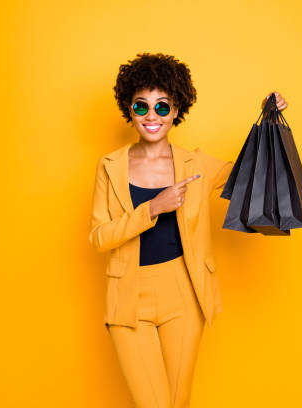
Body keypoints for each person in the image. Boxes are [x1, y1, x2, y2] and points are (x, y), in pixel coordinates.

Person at [89, 52, 288, 408]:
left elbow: (248, 172)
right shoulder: (110, 167)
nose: (152, 116)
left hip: (183, 294)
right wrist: (152, 208)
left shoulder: (195, 165)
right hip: (127, 298)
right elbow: (99, 237)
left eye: (162, 107)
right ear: (129, 110)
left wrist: (269, 119)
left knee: (179, 402)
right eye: (141, 106)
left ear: (177, 109)